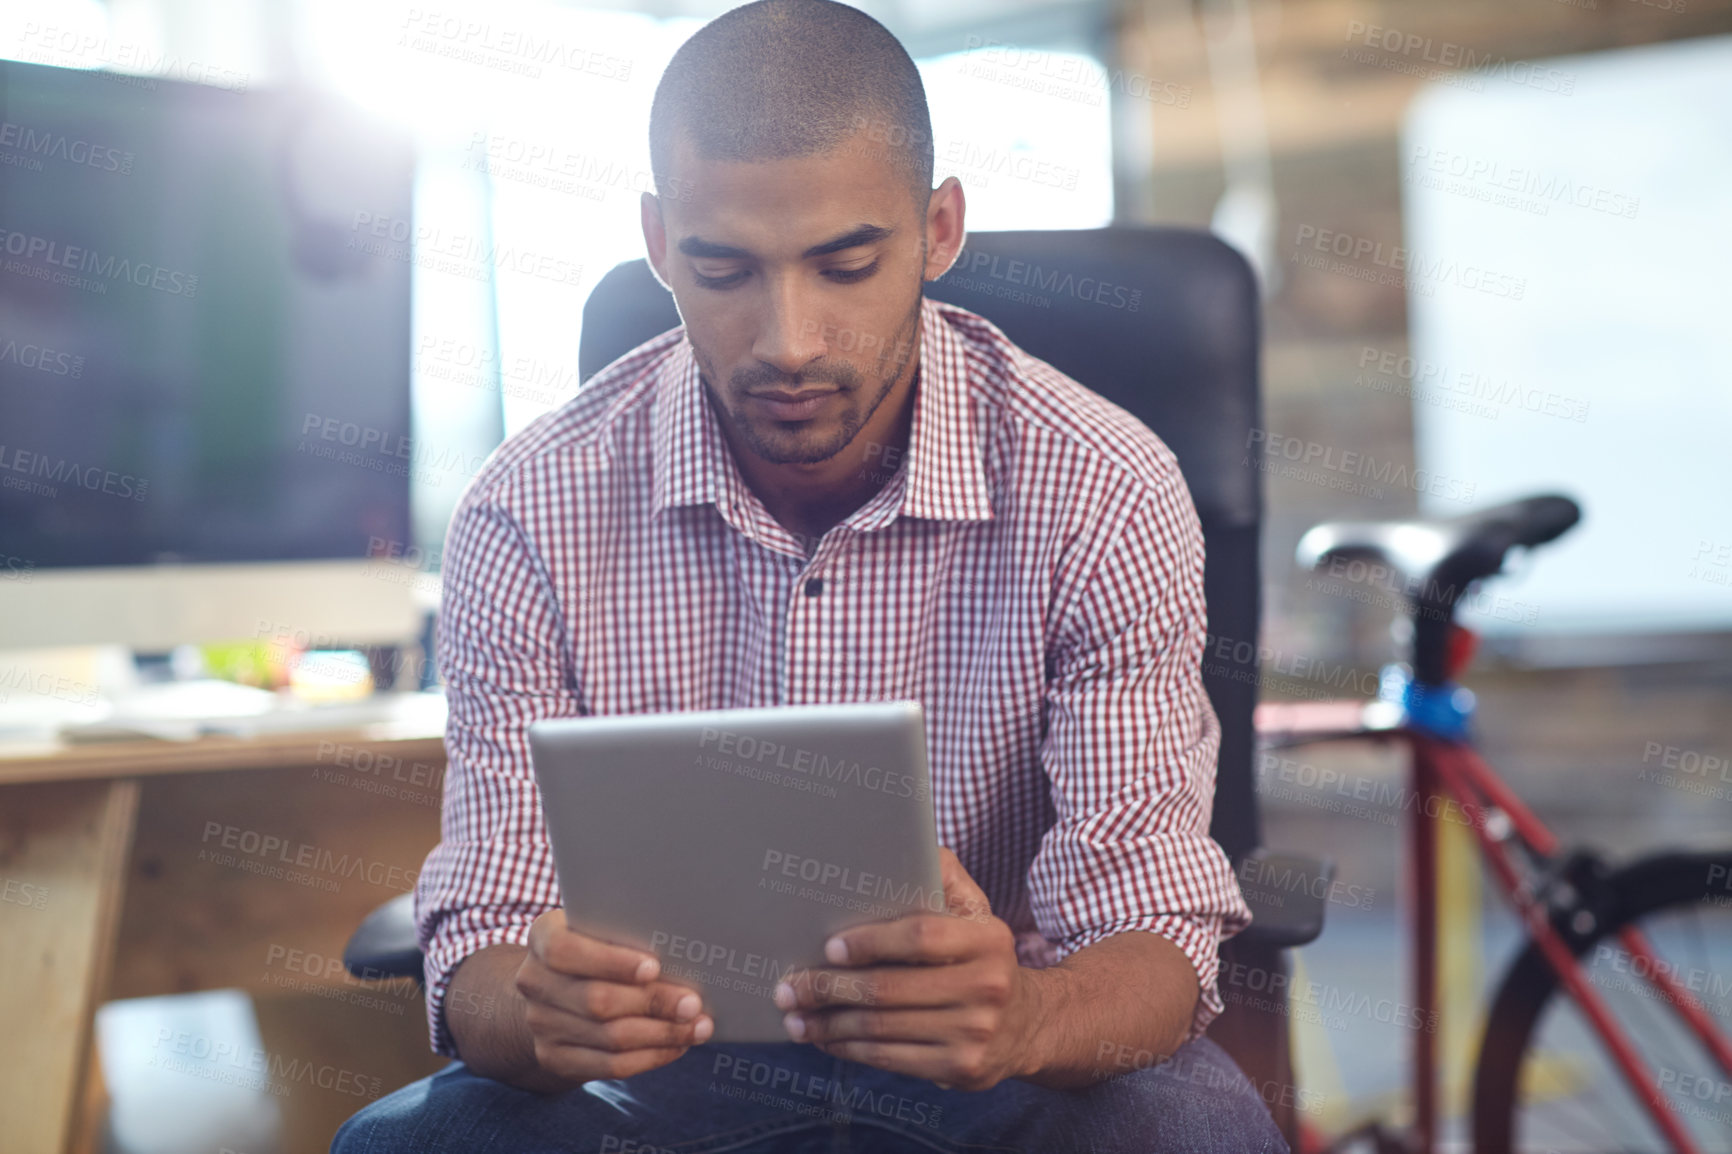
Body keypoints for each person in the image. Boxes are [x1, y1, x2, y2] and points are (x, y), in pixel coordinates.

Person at [334, 1, 1285, 1149]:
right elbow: (482, 934)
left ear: (939, 230)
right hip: (666, 1072)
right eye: (723, 267)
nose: (787, 338)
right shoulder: (527, 507)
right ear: (656, 239)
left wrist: (1030, 1012)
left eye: (845, 264)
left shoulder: (1103, 487)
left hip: (1016, 1067)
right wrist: (534, 1007)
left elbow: (1152, 923)